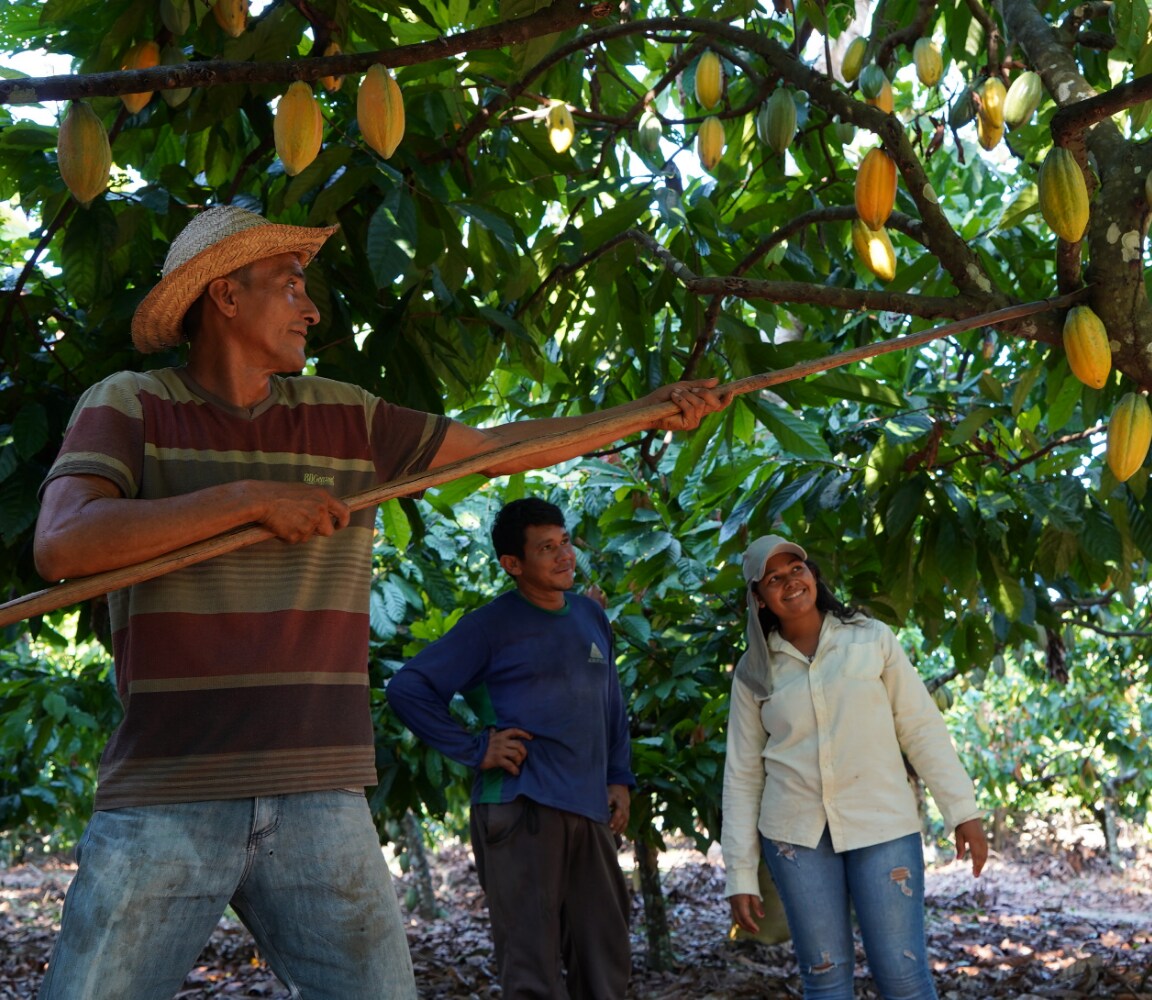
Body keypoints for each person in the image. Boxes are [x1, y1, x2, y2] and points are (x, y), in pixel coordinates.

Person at [31, 205, 727, 1000]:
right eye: (290, 285)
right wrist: (254, 499)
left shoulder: (346, 416)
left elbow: (499, 449)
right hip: (168, 789)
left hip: (320, 789)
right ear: (225, 295)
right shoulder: (130, 403)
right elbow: (64, 544)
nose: (312, 305)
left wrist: (646, 411)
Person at [722, 534, 988, 1000]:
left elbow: (920, 726)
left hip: (882, 824)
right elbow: (743, 775)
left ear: (814, 575)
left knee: (903, 977)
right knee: (825, 980)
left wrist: (962, 810)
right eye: (773, 579)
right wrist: (740, 875)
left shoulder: (870, 638)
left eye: (796, 570)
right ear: (759, 600)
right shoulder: (753, 674)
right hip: (795, 837)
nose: (790, 583)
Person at [387, 497, 633, 1000]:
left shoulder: (590, 615)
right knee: (531, 972)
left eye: (564, 541)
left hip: (589, 807)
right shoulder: (489, 626)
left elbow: (610, 701)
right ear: (512, 565)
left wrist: (618, 778)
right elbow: (407, 688)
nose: (564, 555)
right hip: (520, 809)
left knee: (605, 962)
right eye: (547, 548)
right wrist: (476, 748)